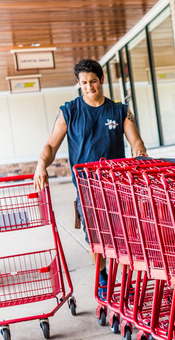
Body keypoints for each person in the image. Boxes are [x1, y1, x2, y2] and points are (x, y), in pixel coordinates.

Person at [34, 59, 147, 300]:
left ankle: (125, 279)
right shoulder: (69, 111)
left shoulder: (119, 110)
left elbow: (135, 140)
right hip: (86, 189)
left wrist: (139, 151)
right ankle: (104, 278)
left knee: (123, 237)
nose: (89, 87)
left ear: (102, 80)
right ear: (78, 83)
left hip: (118, 187)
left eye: (93, 81)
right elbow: (50, 145)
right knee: (96, 239)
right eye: (84, 83)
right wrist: (41, 165)